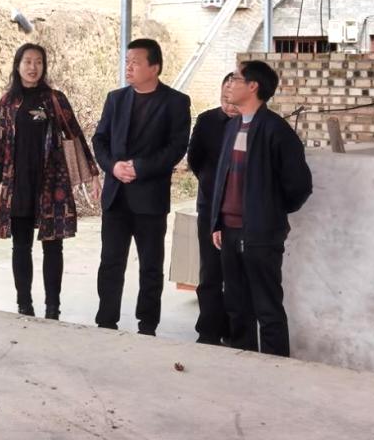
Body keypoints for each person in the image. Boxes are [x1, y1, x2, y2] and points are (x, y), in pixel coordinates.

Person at [210, 60, 313, 357]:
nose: (230, 84)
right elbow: (222, 178)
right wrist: (217, 221)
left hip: (261, 234)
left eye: (236, 79)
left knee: (267, 307)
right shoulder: (232, 127)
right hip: (229, 232)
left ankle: (275, 367)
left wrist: (268, 212)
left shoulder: (276, 130)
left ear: (253, 86)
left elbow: (299, 185)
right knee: (236, 306)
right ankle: (244, 364)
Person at [0, 43, 96, 320]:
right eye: (27, 61)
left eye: (38, 62)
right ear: (17, 65)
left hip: (52, 182)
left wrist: (92, 174)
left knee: (53, 246)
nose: (33, 67)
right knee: (21, 246)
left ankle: (52, 307)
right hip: (18, 182)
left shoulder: (54, 100)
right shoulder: (7, 103)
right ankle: (24, 305)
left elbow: (75, 135)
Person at [92, 38, 191, 335]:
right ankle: (106, 319)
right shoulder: (116, 99)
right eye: (127, 61)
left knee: (150, 266)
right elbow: (100, 140)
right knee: (111, 262)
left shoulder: (176, 102)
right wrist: (113, 166)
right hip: (116, 196)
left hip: (150, 197)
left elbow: (176, 147)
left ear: (154, 67)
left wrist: (140, 168)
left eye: (135, 62)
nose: (129, 67)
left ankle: (147, 324)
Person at [186, 72, 238, 345]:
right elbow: (194, 159)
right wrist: (212, 185)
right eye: (224, 99)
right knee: (210, 271)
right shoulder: (207, 121)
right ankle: (208, 330)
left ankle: (234, 330)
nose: (229, 105)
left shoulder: (250, 125)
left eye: (233, 100)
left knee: (236, 273)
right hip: (210, 205)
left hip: (239, 210)